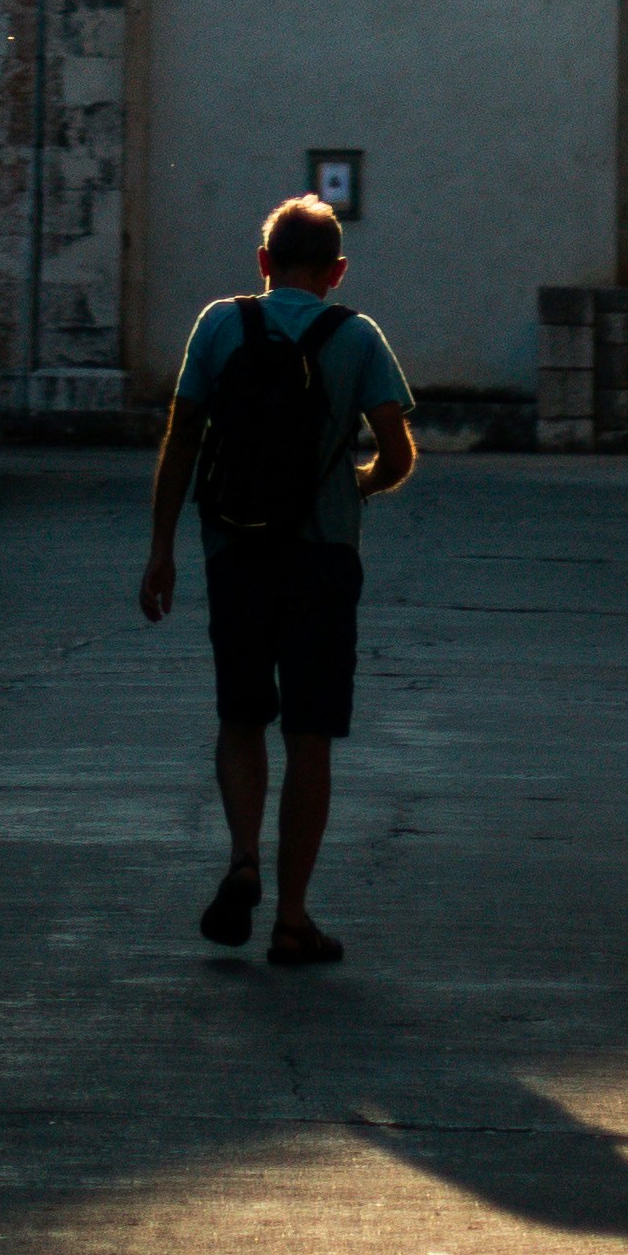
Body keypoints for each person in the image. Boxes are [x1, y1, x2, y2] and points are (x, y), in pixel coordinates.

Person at [138, 189, 417, 966]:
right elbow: (396, 457)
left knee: (240, 717)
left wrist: (161, 548)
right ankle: (292, 918)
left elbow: (183, 435)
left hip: (235, 549)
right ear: (337, 270)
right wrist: (349, 484)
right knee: (311, 736)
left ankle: (242, 860)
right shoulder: (358, 337)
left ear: (263, 263)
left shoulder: (221, 324)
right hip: (323, 555)